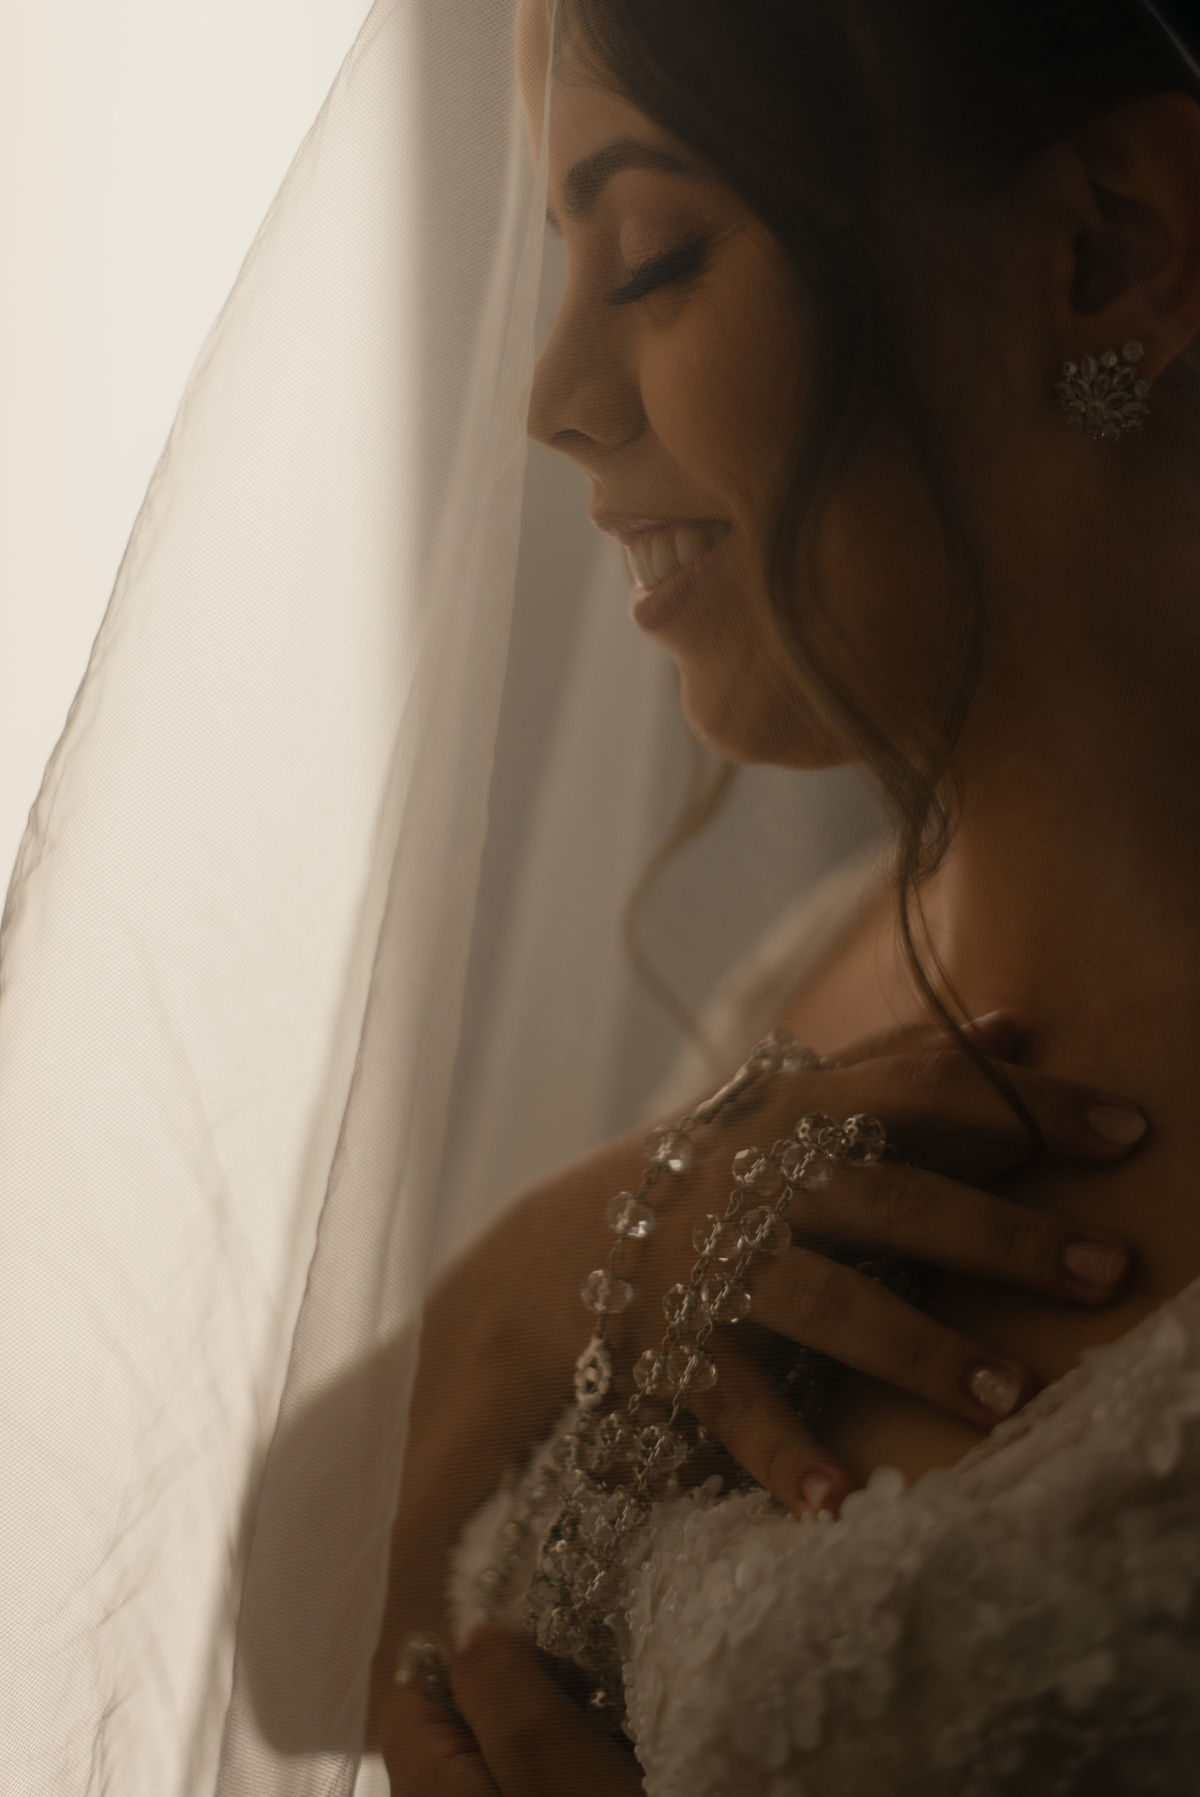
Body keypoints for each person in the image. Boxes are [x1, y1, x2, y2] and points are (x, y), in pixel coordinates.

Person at [370, 0, 1200, 1791]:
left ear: (1110, 247)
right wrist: (565, 1266)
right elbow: (276, 1641)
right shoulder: (798, 997)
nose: (552, 400)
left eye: (651, 258)